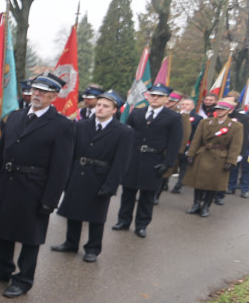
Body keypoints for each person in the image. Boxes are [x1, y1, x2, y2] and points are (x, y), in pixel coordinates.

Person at [0, 72, 74, 297]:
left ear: (53, 96)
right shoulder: (15, 117)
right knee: (2, 230)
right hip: (8, 182)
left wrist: (50, 199)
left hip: (34, 187)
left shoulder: (61, 126)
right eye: (35, 90)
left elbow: (61, 167)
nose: (36, 94)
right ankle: (1, 268)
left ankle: (23, 279)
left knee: (30, 236)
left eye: (43, 92)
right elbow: (1, 152)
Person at [51, 90, 132, 262]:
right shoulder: (81, 126)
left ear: (114, 110)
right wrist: (66, 177)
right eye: (99, 105)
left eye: (105, 106)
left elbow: (121, 162)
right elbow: (71, 153)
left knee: (96, 216)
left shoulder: (123, 131)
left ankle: (92, 248)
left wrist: (111, 185)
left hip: (100, 176)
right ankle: (70, 243)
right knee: (73, 210)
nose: (100, 109)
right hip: (78, 172)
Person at [112, 83, 183, 238]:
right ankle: (123, 221)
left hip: (154, 159)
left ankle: (141, 225)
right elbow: (125, 134)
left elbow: (174, 142)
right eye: (153, 95)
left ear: (166, 99)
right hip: (133, 157)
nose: (155, 98)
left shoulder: (174, 117)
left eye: (159, 96)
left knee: (147, 196)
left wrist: (167, 163)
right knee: (128, 192)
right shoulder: (137, 113)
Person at [185, 98, 244, 217]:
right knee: (199, 181)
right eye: (218, 109)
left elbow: (235, 145)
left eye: (223, 109)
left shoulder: (236, 126)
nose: (220, 111)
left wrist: (231, 160)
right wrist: (191, 153)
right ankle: (196, 204)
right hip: (203, 154)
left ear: (229, 111)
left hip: (220, 157)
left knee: (214, 183)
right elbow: (197, 139)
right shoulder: (205, 122)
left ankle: (206, 206)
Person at [170, 97, 202, 195]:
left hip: (187, 146)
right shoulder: (173, 115)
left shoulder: (197, 119)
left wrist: (192, 148)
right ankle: (164, 183)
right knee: (169, 165)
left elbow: (197, 135)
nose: (184, 106)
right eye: (183, 104)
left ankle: (179, 185)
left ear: (192, 107)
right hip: (172, 145)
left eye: (187, 104)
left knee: (184, 167)